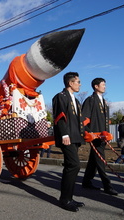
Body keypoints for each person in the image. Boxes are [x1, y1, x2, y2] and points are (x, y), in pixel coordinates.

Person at [52, 72, 85, 212]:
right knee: (74, 165)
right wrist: (64, 134)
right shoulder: (61, 96)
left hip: (75, 137)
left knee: (71, 167)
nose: (80, 84)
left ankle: (69, 198)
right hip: (67, 137)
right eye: (78, 81)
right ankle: (65, 199)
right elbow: (59, 117)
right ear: (70, 83)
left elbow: (79, 121)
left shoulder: (76, 100)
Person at [81, 78, 118, 196]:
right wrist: (88, 133)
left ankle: (86, 181)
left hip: (103, 136)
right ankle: (107, 185)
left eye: (105, 85)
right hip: (95, 136)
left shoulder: (104, 102)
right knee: (101, 160)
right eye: (103, 85)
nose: (105, 87)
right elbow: (84, 119)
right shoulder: (90, 100)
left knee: (94, 159)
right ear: (96, 86)